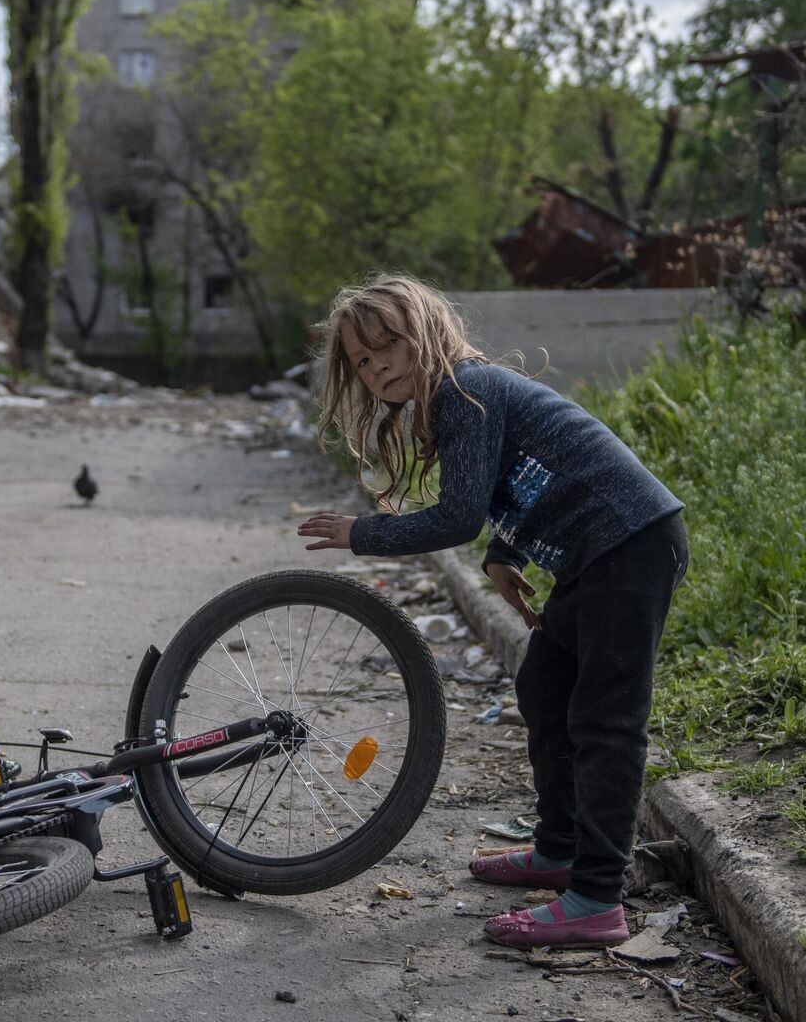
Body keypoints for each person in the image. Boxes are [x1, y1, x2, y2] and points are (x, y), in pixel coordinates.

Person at [295, 272, 688, 949]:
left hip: (628, 546)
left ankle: (598, 895)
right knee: (543, 683)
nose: (376, 365)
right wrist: (505, 553)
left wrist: (362, 533)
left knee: (605, 719)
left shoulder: (462, 392)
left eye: (386, 345)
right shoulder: (458, 396)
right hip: (600, 551)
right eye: (361, 360)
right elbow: (533, 471)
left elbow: (457, 515)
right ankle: (560, 849)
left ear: (424, 331)